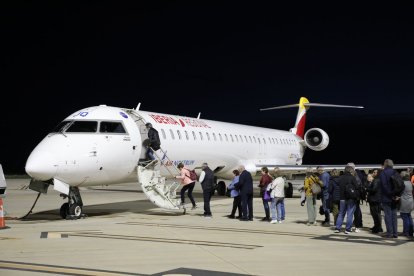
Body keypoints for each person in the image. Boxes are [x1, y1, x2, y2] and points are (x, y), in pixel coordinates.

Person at [334, 165, 358, 234]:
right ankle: (347, 229)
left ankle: (337, 228)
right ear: (350, 170)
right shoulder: (352, 178)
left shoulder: (340, 178)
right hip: (350, 198)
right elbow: (356, 187)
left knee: (341, 213)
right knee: (350, 214)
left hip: (342, 198)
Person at [380, 159, 399, 238]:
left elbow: (384, 186)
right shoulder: (395, 172)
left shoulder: (383, 173)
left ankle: (389, 233)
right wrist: (397, 195)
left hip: (386, 197)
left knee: (387, 215)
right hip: (395, 197)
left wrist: (390, 194)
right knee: (394, 215)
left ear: (385, 164)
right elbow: (400, 185)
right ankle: (395, 233)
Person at [367, 169, 383, 233]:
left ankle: (378, 227)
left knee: (376, 214)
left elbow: (373, 189)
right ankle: (377, 226)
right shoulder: (377, 180)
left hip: (375, 199)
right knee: (375, 214)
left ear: (377, 173)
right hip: (375, 199)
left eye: (374, 172)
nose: (373, 173)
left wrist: (367, 188)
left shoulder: (376, 180)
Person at [399, 171, 413, 237]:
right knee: (409, 216)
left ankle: (406, 232)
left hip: (405, 201)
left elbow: (399, 192)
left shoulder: (403, 183)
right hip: (410, 201)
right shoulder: (410, 182)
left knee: (405, 217)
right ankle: (410, 231)